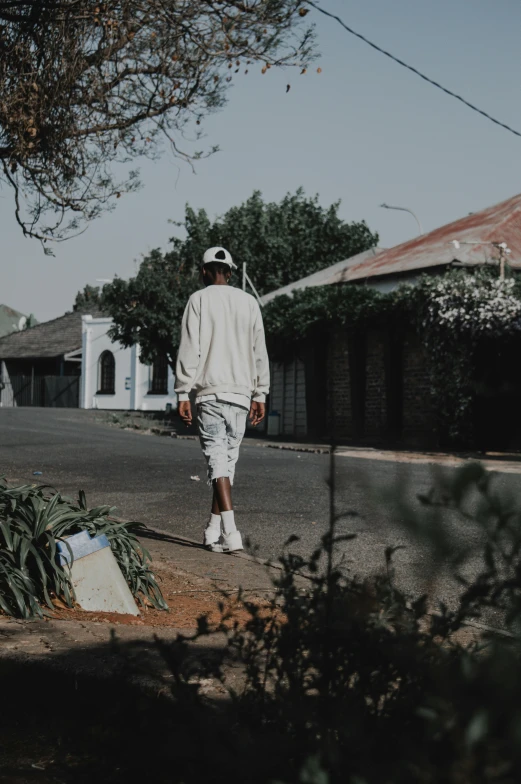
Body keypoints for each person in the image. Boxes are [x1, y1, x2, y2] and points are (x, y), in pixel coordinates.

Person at [175, 246, 270, 553]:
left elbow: (190, 348)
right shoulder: (249, 302)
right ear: (230, 272)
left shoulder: (198, 300)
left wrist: (182, 392)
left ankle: (231, 532)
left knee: (218, 462)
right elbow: (260, 352)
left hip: (210, 393)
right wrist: (260, 393)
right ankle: (212, 530)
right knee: (226, 464)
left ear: (204, 271)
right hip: (242, 395)